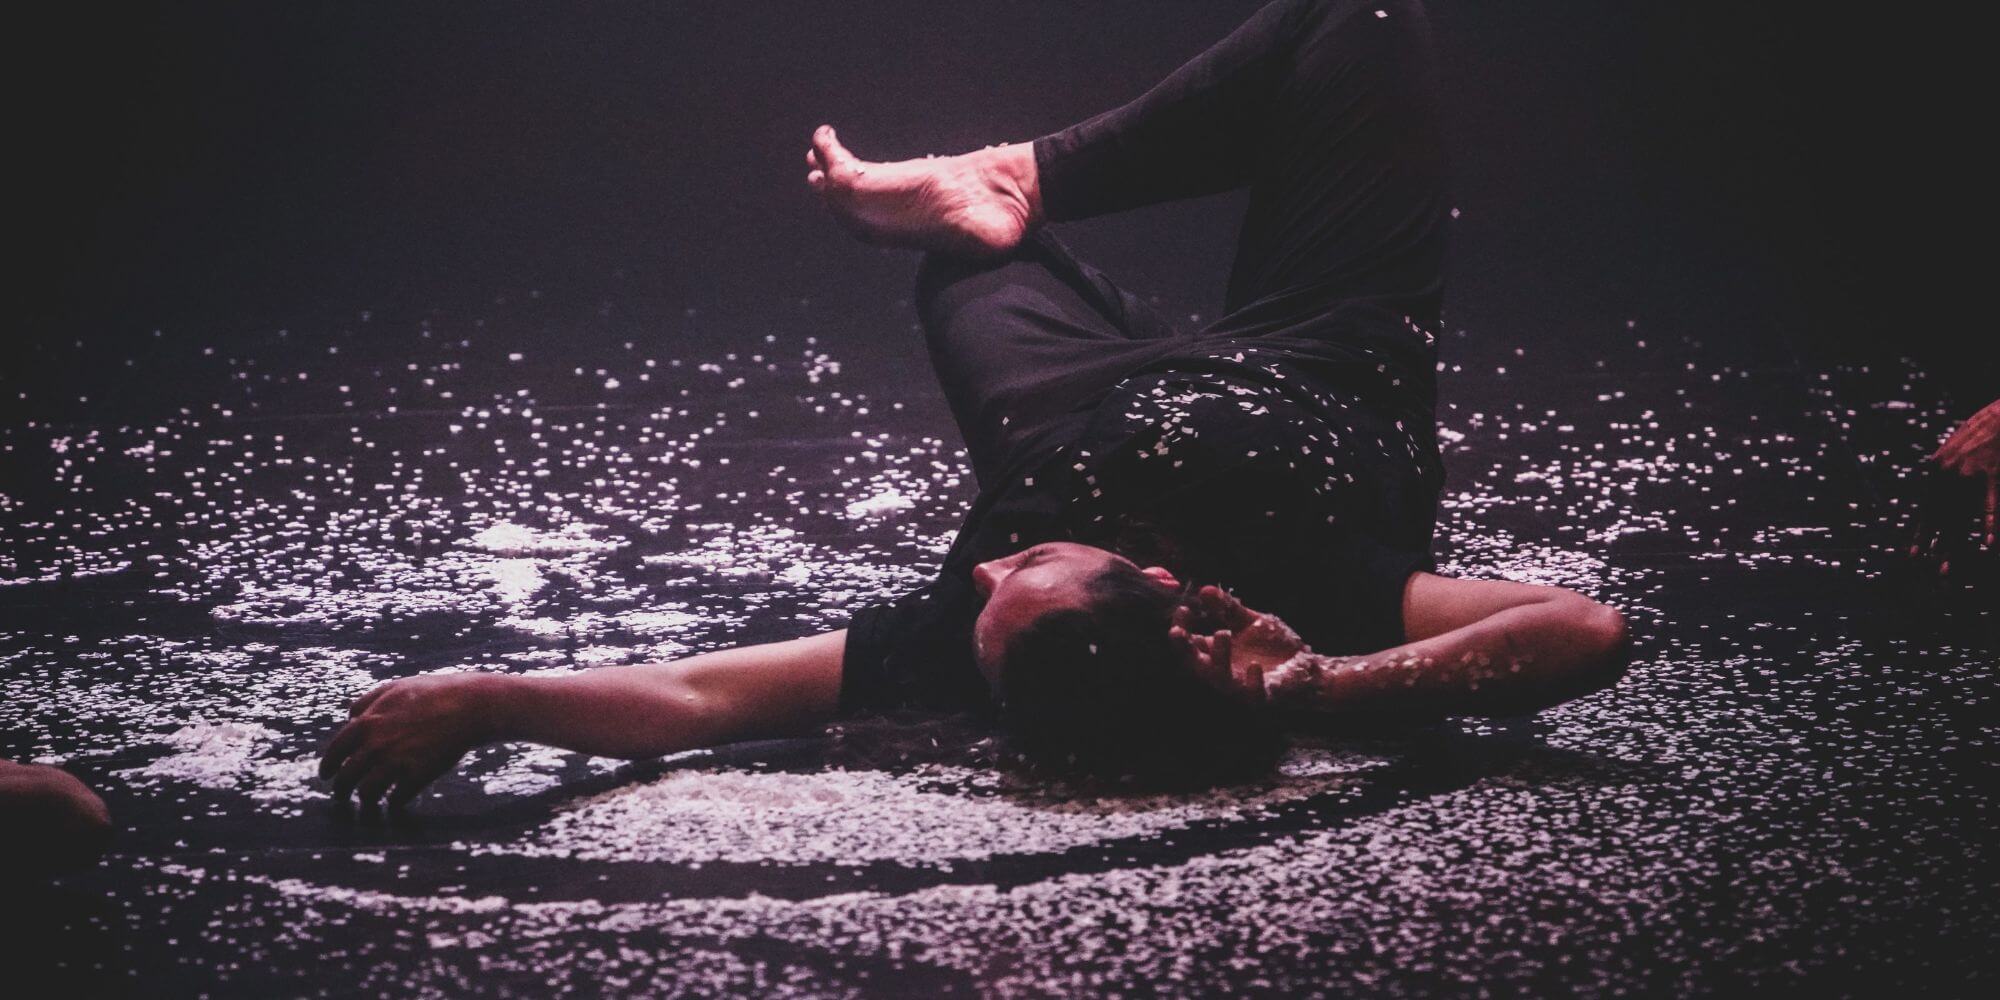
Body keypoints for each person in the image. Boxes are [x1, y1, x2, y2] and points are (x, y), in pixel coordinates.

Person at [321, 0, 1630, 805]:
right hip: (1321, 358)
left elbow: (697, 698)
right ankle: (1009, 180)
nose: (989, 558)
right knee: (1357, 17)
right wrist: (1327, 688)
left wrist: (487, 697)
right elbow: (1581, 628)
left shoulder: (966, 644)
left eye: (999, 586)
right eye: (1035, 570)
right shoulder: (1324, 593)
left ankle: (1008, 186)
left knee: (963, 250)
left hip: (1055, 418)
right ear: (1177, 588)